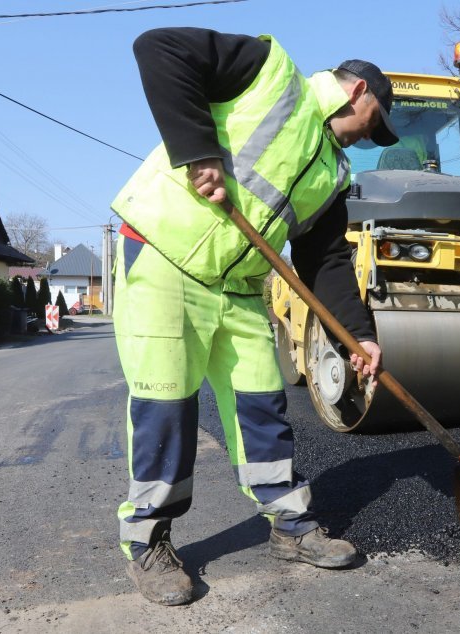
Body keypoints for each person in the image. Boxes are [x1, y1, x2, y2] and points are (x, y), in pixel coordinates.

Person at [110, 27, 398, 606]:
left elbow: (327, 261)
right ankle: (148, 541)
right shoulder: (270, 71)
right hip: (164, 257)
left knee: (262, 404)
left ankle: (291, 526)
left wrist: (358, 337)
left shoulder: (333, 175)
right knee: (166, 405)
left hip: (238, 288)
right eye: (375, 119)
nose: (372, 136)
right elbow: (158, 48)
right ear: (357, 90)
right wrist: (197, 150)